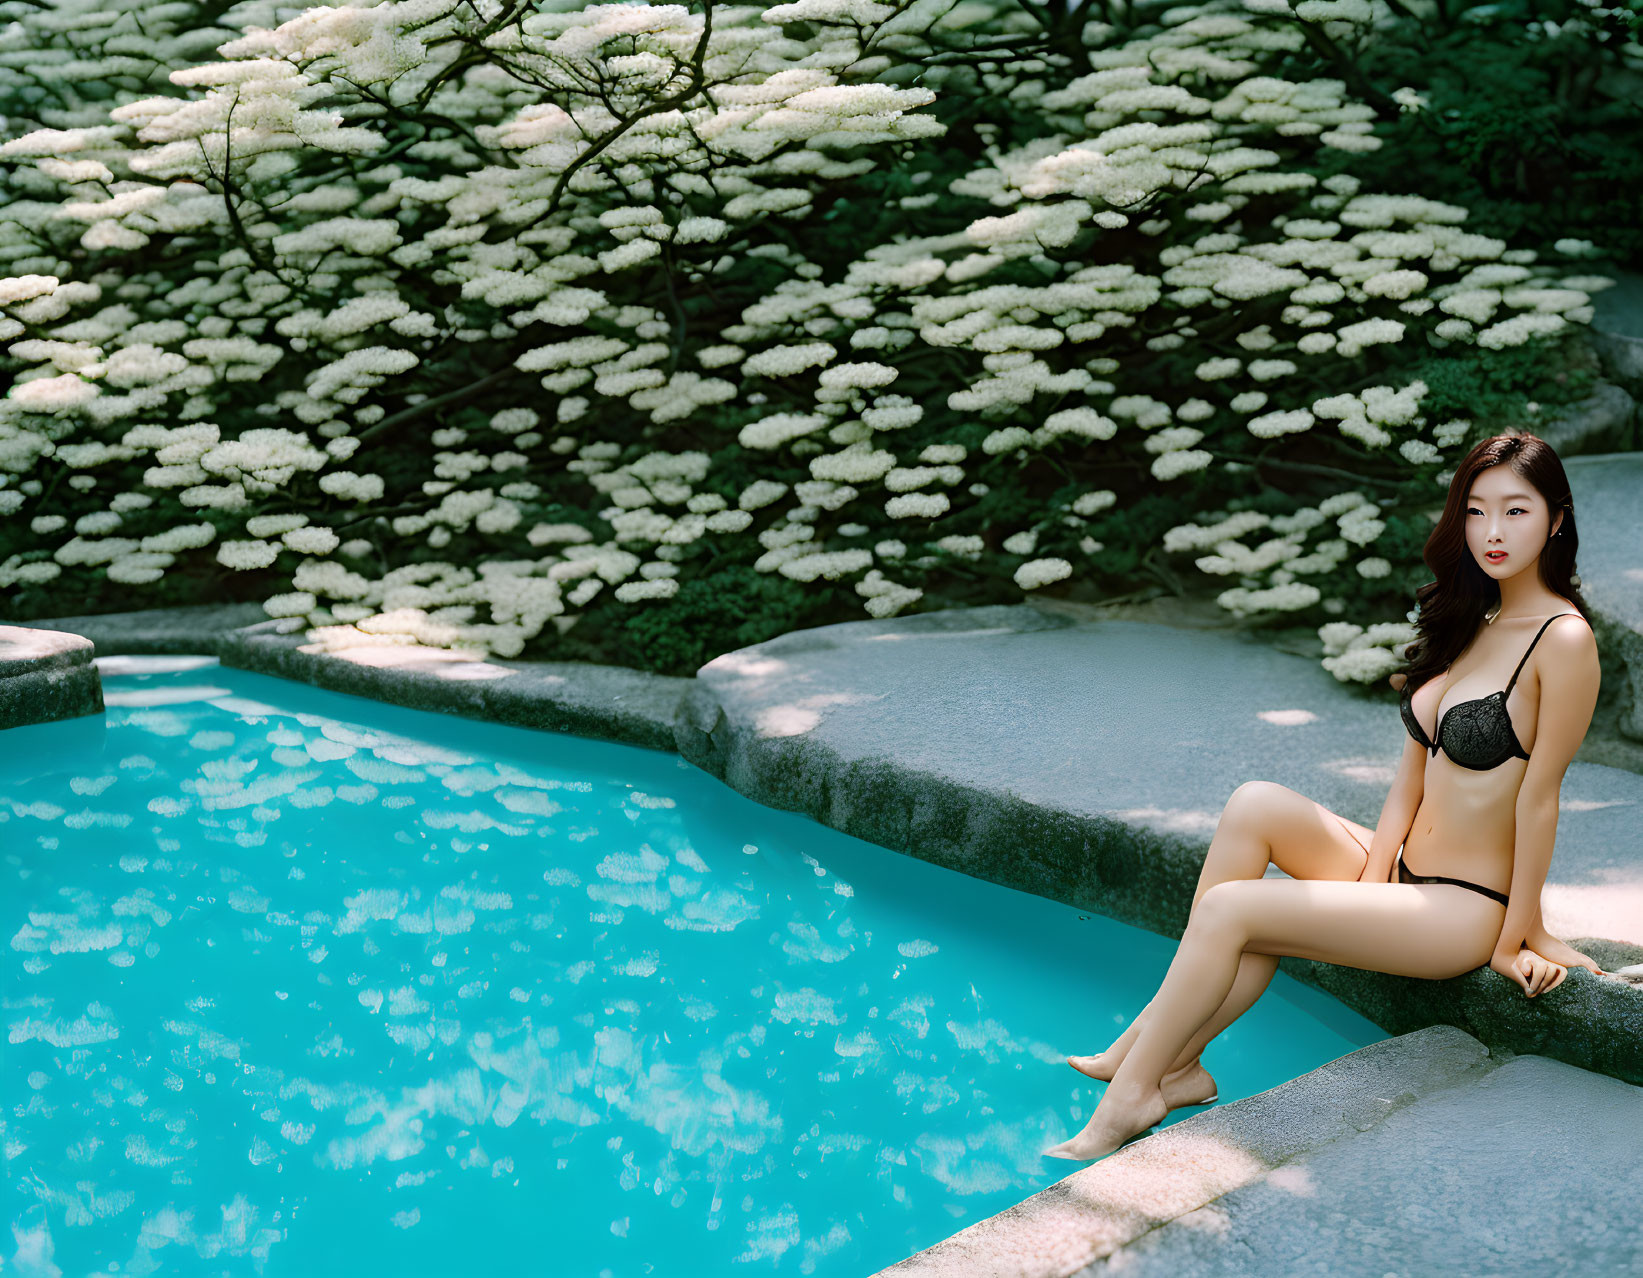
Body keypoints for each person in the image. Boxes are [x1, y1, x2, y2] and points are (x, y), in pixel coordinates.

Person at [1045, 432, 1610, 1162]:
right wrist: (1372, 883)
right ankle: (1168, 1054)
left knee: (1233, 910)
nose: (1492, 533)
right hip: (1404, 876)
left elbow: (1539, 801)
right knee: (1255, 803)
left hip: (1464, 907)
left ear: (1555, 519)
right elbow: (1412, 773)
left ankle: (1135, 1092)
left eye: (1515, 511)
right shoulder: (1476, 618)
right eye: (1475, 512)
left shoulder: (1564, 641)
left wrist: (1516, 940)